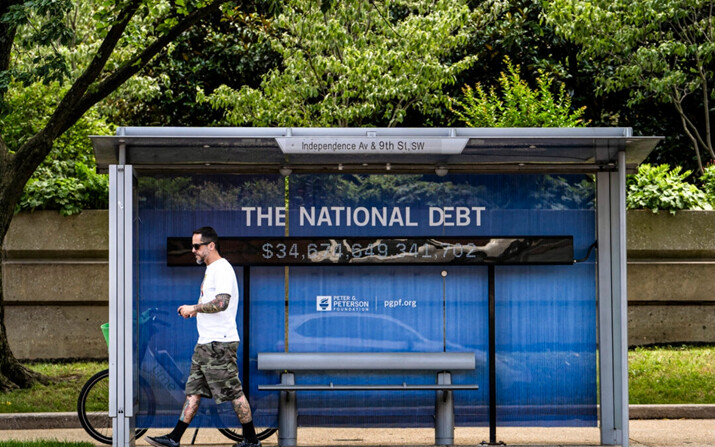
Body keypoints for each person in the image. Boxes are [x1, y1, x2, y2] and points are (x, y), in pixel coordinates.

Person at [146, 226, 261, 447]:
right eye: (192, 246)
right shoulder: (211, 270)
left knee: (233, 392)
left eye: (197, 246)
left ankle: (252, 440)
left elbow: (222, 302)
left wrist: (194, 308)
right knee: (194, 391)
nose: (193, 250)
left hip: (219, 343)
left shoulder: (222, 269)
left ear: (211, 245)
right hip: (206, 343)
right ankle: (174, 438)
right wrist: (196, 311)